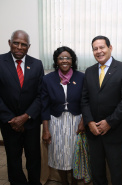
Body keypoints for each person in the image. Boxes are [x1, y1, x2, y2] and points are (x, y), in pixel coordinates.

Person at [81, 35, 122, 185]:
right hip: (94, 133)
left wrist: (109, 122)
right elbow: (84, 100)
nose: (98, 51)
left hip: (115, 131)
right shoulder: (89, 71)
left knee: (117, 173)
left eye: (102, 47)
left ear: (110, 48)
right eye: (95, 49)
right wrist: (90, 121)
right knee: (97, 172)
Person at [0, 30, 44, 185]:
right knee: (13, 158)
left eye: (23, 44)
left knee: (34, 158)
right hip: (8, 123)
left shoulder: (37, 64)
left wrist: (25, 117)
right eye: (16, 43)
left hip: (30, 122)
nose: (19, 47)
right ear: (9, 43)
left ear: (29, 46)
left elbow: (41, 94)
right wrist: (11, 119)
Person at [41, 46, 85, 185]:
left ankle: (74, 182)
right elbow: (44, 105)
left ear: (72, 60)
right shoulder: (48, 79)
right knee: (59, 155)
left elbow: (86, 102)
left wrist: (83, 121)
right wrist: (46, 129)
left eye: (68, 57)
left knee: (74, 154)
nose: (64, 60)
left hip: (76, 121)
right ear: (56, 61)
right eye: (61, 58)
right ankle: (64, 182)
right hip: (56, 122)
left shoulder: (81, 77)